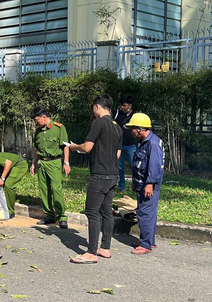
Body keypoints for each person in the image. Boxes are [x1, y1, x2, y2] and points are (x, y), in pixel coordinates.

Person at [69, 94, 122, 264]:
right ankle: (105, 248)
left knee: (92, 212)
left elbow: (87, 147)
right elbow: (118, 154)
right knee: (107, 212)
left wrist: (74, 147)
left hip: (99, 175)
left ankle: (91, 252)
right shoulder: (117, 127)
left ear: (98, 107)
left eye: (93, 108)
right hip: (113, 175)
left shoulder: (98, 123)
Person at [126, 113, 164, 254]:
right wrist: (136, 181)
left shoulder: (153, 143)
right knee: (149, 213)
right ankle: (149, 240)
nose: (132, 131)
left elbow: (155, 165)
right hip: (142, 183)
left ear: (140, 128)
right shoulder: (145, 141)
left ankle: (146, 244)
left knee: (145, 213)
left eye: (133, 128)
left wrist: (149, 184)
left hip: (148, 184)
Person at [30, 107, 71, 229]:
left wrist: (66, 163)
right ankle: (49, 215)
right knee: (44, 189)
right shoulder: (38, 131)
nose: (35, 123)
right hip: (42, 163)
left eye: (36, 120)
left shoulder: (59, 128)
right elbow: (37, 149)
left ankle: (62, 217)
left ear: (44, 117)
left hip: (54, 162)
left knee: (56, 189)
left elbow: (66, 146)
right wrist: (33, 163)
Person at [114, 95, 136, 192]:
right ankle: (121, 187)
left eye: (124, 105)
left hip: (131, 145)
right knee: (120, 167)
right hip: (119, 145)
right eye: (122, 105)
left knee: (134, 167)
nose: (122, 107)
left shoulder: (135, 116)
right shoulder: (117, 114)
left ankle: (136, 185)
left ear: (130, 106)